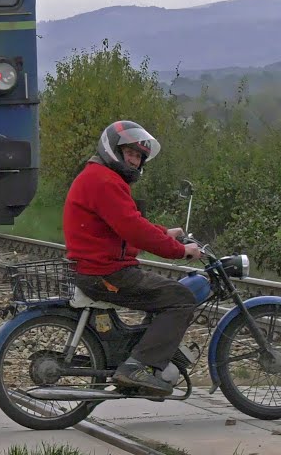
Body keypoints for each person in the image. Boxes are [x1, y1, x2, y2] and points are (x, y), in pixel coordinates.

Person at [62, 120, 203, 397]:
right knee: (181, 298)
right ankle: (140, 367)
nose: (134, 161)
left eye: (139, 157)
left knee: (160, 294)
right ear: (113, 149)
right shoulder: (105, 181)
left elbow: (128, 223)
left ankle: (139, 355)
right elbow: (134, 230)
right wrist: (179, 250)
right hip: (106, 272)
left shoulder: (99, 177)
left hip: (98, 267)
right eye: (130, 153)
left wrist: (165, 233)